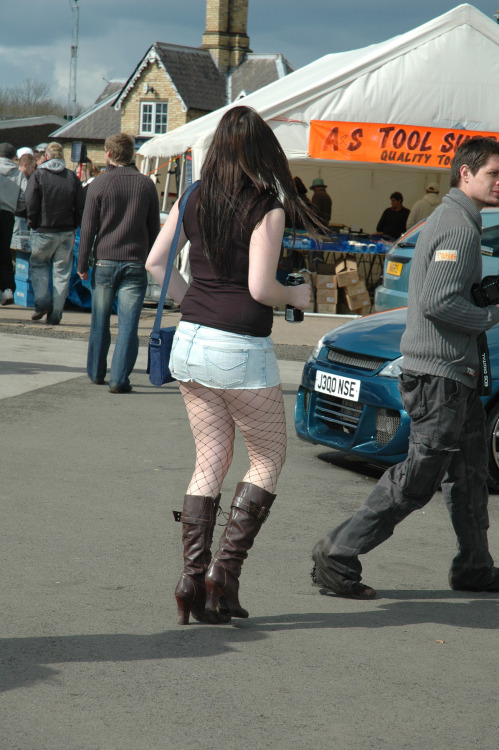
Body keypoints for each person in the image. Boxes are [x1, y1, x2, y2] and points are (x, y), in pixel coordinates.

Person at [146, 105, 324, 625]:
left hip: (192, 342)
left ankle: (189, 580)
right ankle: (222, 574)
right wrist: (298, 292)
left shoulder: (194, 195)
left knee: (209, 461)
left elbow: (157, 262)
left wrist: (190, 300)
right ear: (263, 150)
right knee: (267, 458)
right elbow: (260, 289)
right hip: (240, 347)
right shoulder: (266, 206)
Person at [311, 136, 499, 600]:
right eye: (495, 174)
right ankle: (337, 554)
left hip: (455, 374)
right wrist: (488, 315)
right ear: (466, 174)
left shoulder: (456, 219)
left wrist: (478, 296)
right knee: (417, 478)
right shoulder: (456, 224)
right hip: (440, 376)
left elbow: (443, 291)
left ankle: (474, 566)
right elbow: (437, 301)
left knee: (472, 475)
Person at [77, 133, 160, 394]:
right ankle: (119, 379)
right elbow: (154, 230)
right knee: (128, 325)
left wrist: (82, 264)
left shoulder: (98, 184)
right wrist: (154, 263)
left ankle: (96, 372)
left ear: (108, 154)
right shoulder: (146, 185)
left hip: (103, 262)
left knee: (100, 320)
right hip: (135, 262)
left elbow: (87, 228)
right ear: (132, 154)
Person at [25, 142, 84, 325]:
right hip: (66, 232)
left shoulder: (39, 175)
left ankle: (42, 303)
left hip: (43, 230)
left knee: (39, 265)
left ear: (48, 156)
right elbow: (81, 205)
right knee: (62, 273)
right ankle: (56, 315)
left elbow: (31, 201)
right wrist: (75, 224)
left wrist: (32, 223)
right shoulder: (71, 177)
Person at [0, 142, 25, 306]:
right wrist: (16, 207)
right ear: (13, 157)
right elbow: (24, 198)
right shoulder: (19, 173)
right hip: (8, 215)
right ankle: (8, 289)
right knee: (4, 252)